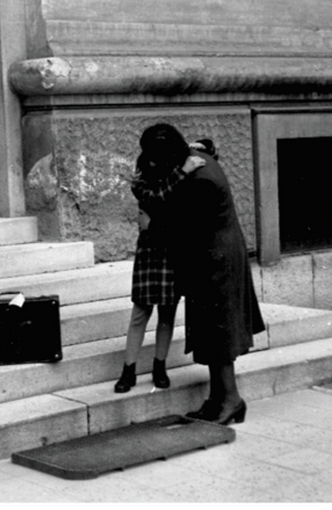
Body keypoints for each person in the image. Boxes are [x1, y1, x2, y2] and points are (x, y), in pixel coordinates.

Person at [139, 124, 265, 425]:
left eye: (157, 159)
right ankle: (217, 398)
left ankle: (232, 400)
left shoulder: (200, 179)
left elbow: (183, 223)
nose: (155, 165)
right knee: (210, 329)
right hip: (210, 256)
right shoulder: (193, 159)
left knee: (218, 330)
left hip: (216, 259)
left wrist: (151, 227)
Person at [114, 142, 206, 393]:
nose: (156, 165)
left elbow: (174, 214)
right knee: (140, 314)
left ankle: (160, 367)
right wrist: (182, 172)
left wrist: (186, 149)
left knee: (167, 314)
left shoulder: (175, 179)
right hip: (151, 254)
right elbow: (157, 198)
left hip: (171, 253)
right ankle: (128, 370)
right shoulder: (141, 184)